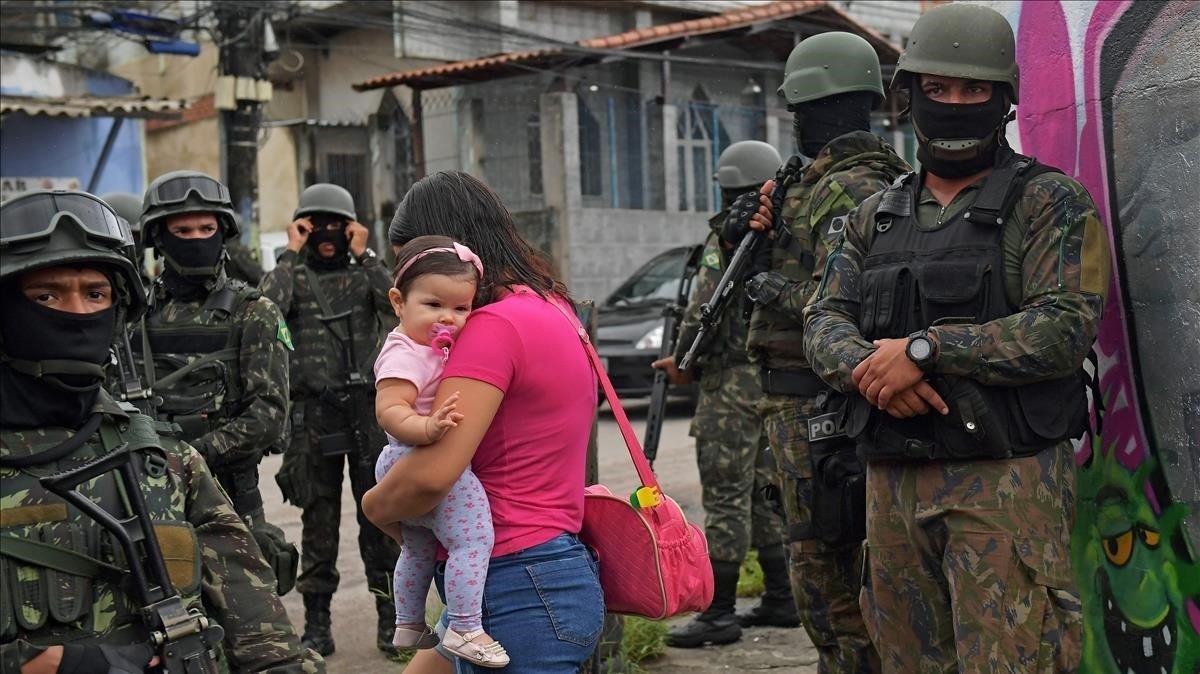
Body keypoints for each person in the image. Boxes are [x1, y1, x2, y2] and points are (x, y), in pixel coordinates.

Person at [801, 5, 1110, 672]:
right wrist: (870, 370)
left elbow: (1064, 327)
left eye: (975, 90)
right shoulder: (871, 217)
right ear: (909, 96)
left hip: (1005, 489)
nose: (956, 104)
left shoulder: (1051, 203)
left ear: (1004, 101)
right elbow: (823, 322)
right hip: (890, 490)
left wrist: (926, 351)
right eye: (938, 89)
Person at [0, 190, 322, 674]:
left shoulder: (165, 460)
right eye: (47, 295)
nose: (77, 312)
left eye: (96, 294)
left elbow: (265, 640)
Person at [367, 170, 604, 673]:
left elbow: (432, 475)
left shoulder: (491, 328)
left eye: (413, 264)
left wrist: (375, 504)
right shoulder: (551, 308)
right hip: (540, 572)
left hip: (516, 582)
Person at [726, 32, 911, 673]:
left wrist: (769, 285)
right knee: (826, 574)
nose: (795, 122)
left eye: (798, 109)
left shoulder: (849, 186)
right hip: (801, 402)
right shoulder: (817, 182)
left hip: (820, 405)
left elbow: (853, 304)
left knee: (828, 581)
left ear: (816, 107)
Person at [652, 140, 797, 648]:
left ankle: (719, 612)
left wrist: (683, 360)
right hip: (771, 379)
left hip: (729, 385)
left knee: (725, 495)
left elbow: (705, 309)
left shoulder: (732, 235)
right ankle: (782, 596)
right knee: (763, 490)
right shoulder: (787, 232)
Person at [130, 170, 299, 597]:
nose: (196, 238)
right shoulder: (133, 316)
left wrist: (189, 458)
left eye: (206, 228)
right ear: (158, 238)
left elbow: (269, 416)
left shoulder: (254, 312)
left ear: (222, 233)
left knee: (254, 635)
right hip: (151, 500)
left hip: (232, 499)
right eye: (182, 229)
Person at [259, 183, 400, 658]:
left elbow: (397, 306)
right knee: (318, 526)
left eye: (336, 225)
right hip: (314, 415)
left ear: (351, 228)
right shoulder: (293, 276)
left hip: (365, 411)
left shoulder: (364, 274)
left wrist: (367, 256)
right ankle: (317, 626)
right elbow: (264, 312)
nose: (327, 234)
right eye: (316, 224)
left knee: (379, 518)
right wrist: (288, 253)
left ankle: (392, 620)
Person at [373, 236, 509, 667]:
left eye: (461, 309)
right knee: (474, 540)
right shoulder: (403, 352)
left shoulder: (427, 346)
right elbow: (389, 410)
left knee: (417, 549)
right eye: (433, 305)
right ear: (398, 301)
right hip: (415, 454)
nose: (447, 318)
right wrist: (427, 428)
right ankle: (466, 627)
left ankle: (409, 623)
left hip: (403, 459)